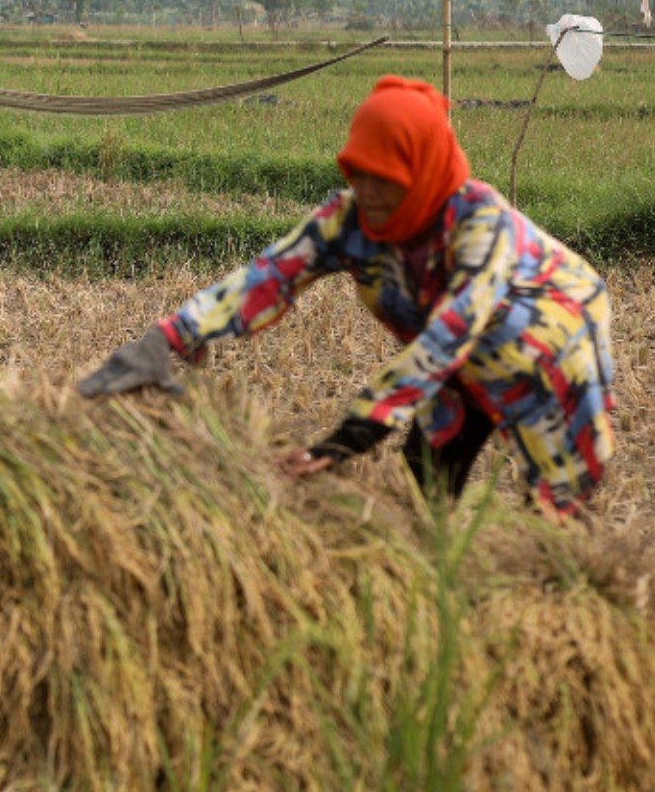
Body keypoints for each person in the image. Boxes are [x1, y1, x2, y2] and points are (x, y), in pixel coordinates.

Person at [77, 75, 615, 519]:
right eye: (359, 173)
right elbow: (266, 278)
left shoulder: (479, 224)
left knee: (557, 513)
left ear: (422, 168)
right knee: (422, 483)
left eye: (387, 178)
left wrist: (349, 436)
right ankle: (434, 590)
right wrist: (167, 338)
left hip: (547, 356)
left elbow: (449, 334)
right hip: (458, 363)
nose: (371, 191)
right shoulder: (349, 221)